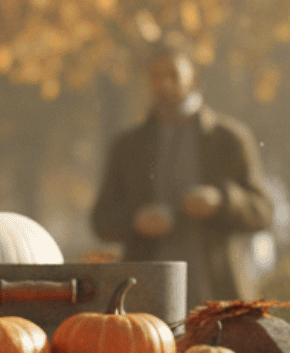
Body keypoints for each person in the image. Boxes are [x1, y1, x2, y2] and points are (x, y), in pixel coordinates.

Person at [89, 40, 274, 305]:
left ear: (193, 76)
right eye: (156, 76)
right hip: (146, 298)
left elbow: (263, 211)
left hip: (217, 292)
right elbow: (101, 219)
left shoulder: (229, 139)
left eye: (174, 74)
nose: (165, 83)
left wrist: (221, 201)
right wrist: (136, 220)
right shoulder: (128, 146)